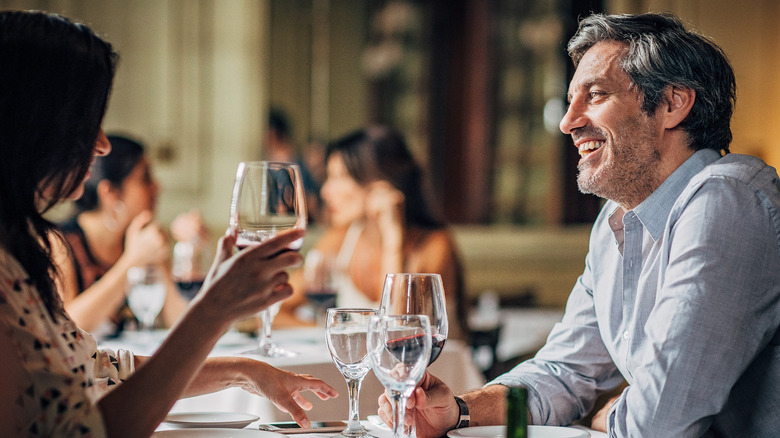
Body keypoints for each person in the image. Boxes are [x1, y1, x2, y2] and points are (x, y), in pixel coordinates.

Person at [378, 12, 780, 438]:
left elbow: (658, 420)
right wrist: (458, 410)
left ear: (672, 104)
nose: (567, 122)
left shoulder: (729, 198)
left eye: (596, 95)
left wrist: (610, 415)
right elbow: (565, 372)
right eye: (571, 100)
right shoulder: (617, 218)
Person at [0, 10, 337, 437]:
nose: (101, 144)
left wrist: (246, 372)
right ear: (34, 122)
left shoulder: (20, 247)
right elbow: (82, 430)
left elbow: (101, 370)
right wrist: (214, 310)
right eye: (88, 124)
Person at [280, 125, 469, 341]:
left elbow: (398, 338)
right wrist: (336, 336)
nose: (325, 191)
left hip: (437, 373)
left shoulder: (434, 245)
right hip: (369, 373)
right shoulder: (340, 239)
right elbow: (277, 311)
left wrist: (392, 239)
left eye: (340, 177)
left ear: (381, 183)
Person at [51, 134, 193, 337]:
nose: (157, 186)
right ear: (110, 193)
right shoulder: (61, 243)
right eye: (145, 177)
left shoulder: (140, 238)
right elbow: (67, 328)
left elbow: (180, 323)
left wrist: (188, 251)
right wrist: (132, 262)